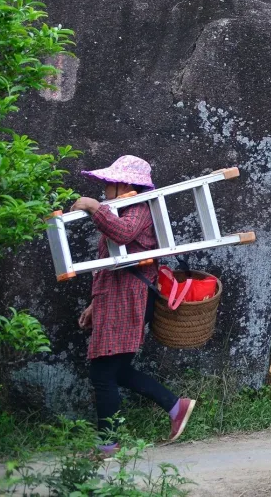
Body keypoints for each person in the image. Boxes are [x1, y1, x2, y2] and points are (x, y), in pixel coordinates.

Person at [71, 155, 196, 455]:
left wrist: (93, 207)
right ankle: (175, 406)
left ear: (126, 184)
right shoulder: (120, 210)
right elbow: (110, 266)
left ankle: (108, 444)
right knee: (117, 371)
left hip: (128, 299)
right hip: (113, 299)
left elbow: (123, 233)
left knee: (103, 373)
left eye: (109, 184)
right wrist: (94, 305)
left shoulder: (139, 209)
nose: (104, 190)